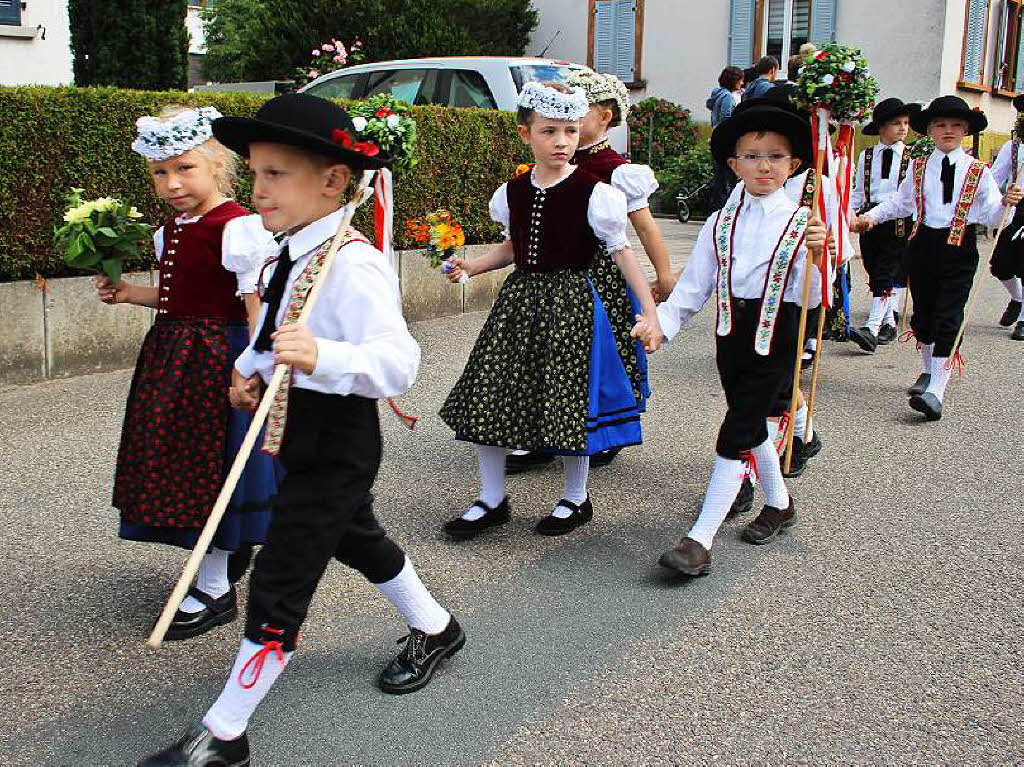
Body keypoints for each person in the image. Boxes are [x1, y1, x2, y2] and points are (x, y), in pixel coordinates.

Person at [138, 93, 464, 766]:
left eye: (277, 174)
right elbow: (273, 328)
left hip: (338, 443)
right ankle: (438, 626)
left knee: (280, 579)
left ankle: (225, 734)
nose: (259, 190)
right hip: (291, 432)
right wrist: (249, 366)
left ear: (332, 180)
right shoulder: (287, 251)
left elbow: (398, 364)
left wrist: (325, 356)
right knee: (357, 537)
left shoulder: (354, 263)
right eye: (254, 173)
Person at [439, 82, 662, 538]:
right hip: (520, 302)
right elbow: (512, 248)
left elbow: (622, 254)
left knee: (568, 397)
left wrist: (650, 311)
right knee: (490, 390)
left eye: (570, 132)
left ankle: (575, 497)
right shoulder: (513, 191)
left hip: (573, 304)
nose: (562, 142)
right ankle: (491, 497)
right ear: (526, 135)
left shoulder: (596, 193)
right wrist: (473, 266)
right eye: (550, 132)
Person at [95, 105, 280, 641]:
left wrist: (255, 365)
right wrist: (129, 294)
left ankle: (217, 587)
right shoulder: (169, 230)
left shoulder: (240, 228)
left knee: (212, 466)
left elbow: (253, 306)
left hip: (218, 358)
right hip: (172, 357)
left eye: (185, 168)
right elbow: (174, 296)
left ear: (218, 166)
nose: (172, 183)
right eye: (160, 172)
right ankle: (215, 564)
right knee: (178, 460)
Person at [636, 96, 826, 576]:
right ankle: (779, 504)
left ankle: (699, 540)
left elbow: (814, 298)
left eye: (776, 156)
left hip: (777, 334)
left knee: (738, 427)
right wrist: (662, 323)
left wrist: (820, 257)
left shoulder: (804, 223)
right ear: (733, 163)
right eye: (752, 156)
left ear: (795, 163)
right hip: (731, 335)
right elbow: (696, 286)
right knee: (750, 422)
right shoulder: (722, 221)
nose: (764, 166)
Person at [503, 70, 672, 475]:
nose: (566, 131)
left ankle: (600, 432)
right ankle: (544, 432)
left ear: (605, 117)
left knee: (600, 358)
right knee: (545, 356)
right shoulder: (555, 159)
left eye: (579, 116)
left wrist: (664, 276)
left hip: (599, 278)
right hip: (549, 276)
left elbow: (644, 227)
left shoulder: (616, 170)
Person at [855, 96, 1022, 420]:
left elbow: (990, 214)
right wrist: (870, 217)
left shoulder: (977, 171)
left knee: (948, 317)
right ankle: (928, 371)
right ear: (930, 129)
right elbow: (900, 204)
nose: (949, 130)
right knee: (924, 317)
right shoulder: (918, 167)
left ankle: (937, 391)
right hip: (923, 246)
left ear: (965, 130)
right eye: (941, 125)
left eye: (956, 125)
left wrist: (1007, 204)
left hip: (959, 249)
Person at [847, 98, 921, 352]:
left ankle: (871, 326)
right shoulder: (866, 156)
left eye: (906, 123)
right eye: (896, 123)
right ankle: (888, 322)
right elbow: (858, 193)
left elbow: (909, 196)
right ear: (881, 127)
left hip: (899, 221)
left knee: (887, 271)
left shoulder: (912, 157)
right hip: (870, 221)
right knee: (873, 267)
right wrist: (850, 214)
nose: (902, 128)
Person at [988, 93, 1024, 340]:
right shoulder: (1012, 148)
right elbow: (993, 180)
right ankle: (1017, 298)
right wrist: (991, 204)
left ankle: (1023, 321)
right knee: (1000, 265)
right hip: (1014, 207)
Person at [707, 66, 745, 210]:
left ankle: (717, 208)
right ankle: (725, 210)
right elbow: (726, 119)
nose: (742, 83)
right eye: (740, 80)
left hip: (716, 138)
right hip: (725, 140)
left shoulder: (718, 95)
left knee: (720, 177)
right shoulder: (728, 97)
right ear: (734, 80)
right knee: (727, 177)